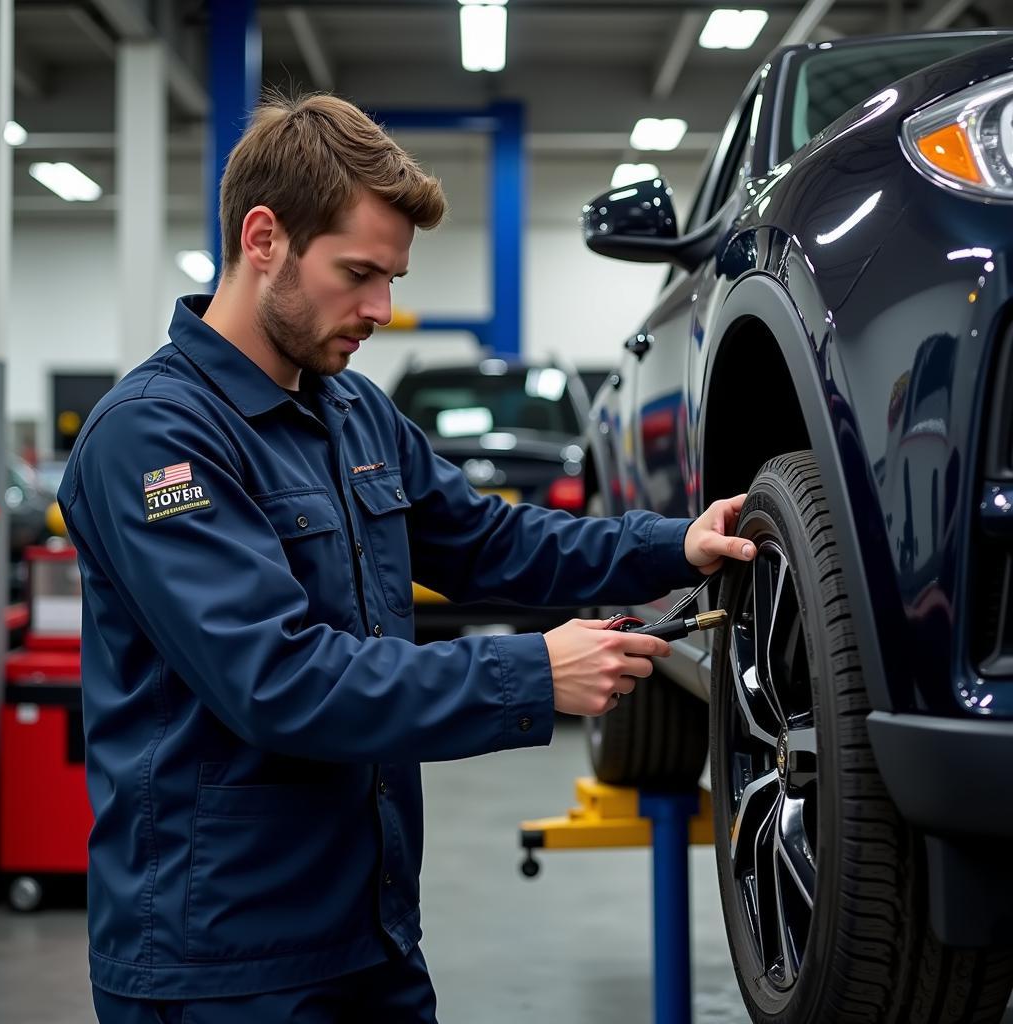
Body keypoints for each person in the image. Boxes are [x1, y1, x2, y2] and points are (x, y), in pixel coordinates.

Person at [58, 93, 755, 1024]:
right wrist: (533, 672)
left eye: (394, 276)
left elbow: (492, 542)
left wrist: (674, 544)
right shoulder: (153, 440)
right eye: (359, 274)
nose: (384, 309)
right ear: (263, 238)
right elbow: (279, 680)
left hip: (374, 932)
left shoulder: (351, 412)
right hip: (223, 965)